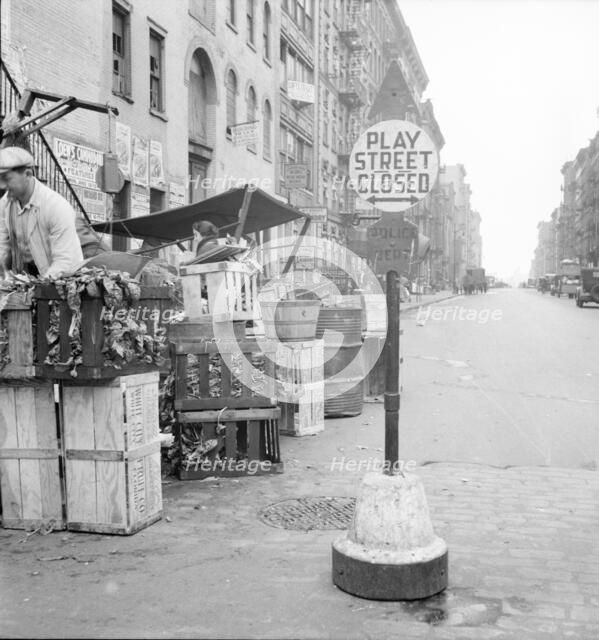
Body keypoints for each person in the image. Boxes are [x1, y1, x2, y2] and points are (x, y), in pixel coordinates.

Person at [0, 146, 106, 278]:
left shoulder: (56, 207)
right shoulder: (5, 204)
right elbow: (3, 245)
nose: (2, 186)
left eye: (7, 179)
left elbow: (66, 263)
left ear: (27, 174)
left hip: (77, 264)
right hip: (39, 266)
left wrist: (39, 290)